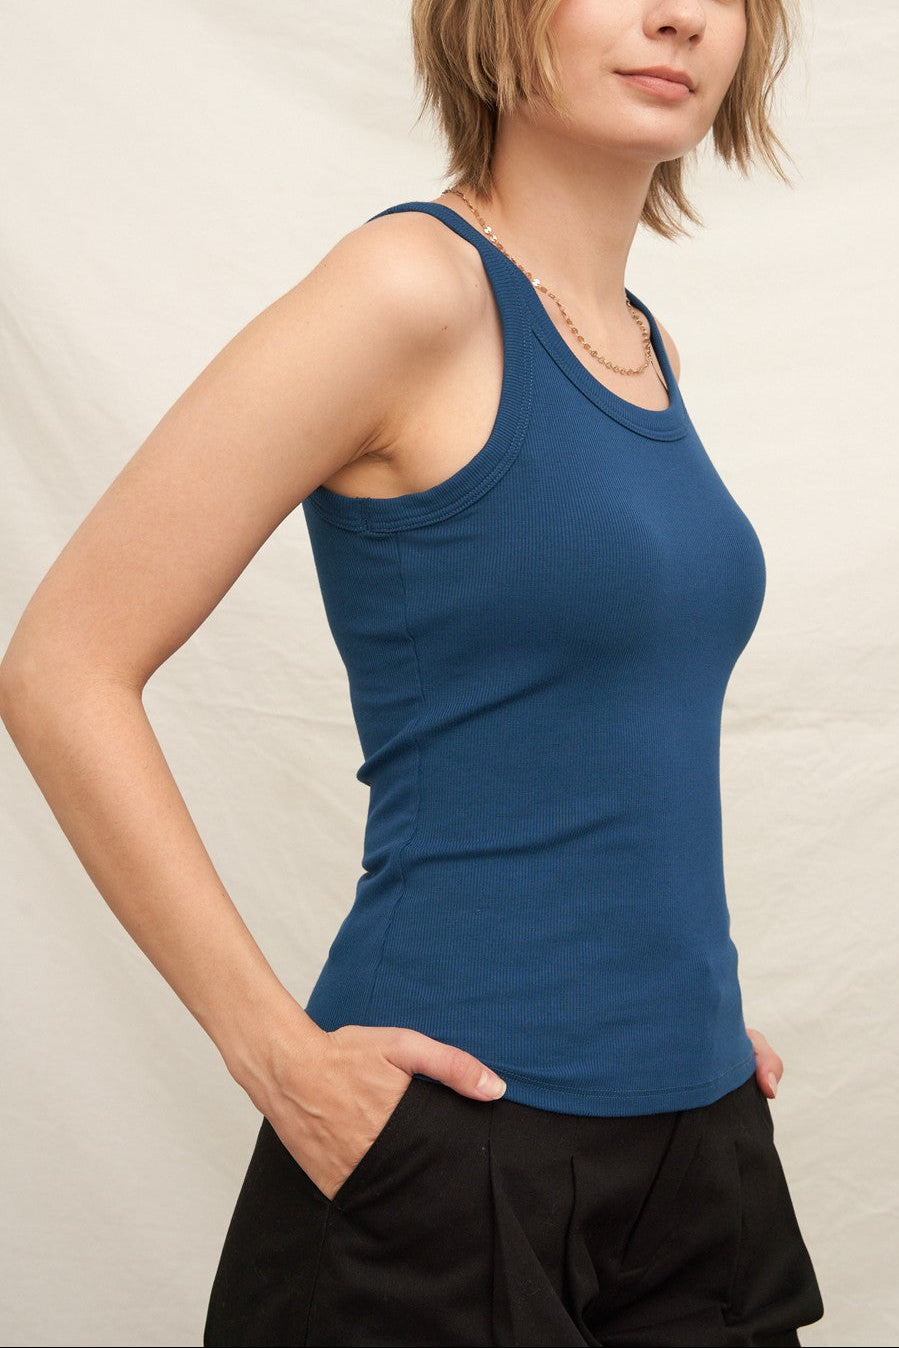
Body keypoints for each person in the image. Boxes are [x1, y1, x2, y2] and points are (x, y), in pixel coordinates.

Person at [0, 0, 825, 1344]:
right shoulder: (409, 290)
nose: (681, 15)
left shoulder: (642, 342)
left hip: (697, 1150)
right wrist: (276, 1055)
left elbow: (595, 735)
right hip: (450, 1161)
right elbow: (62, 665)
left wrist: (683, 1013)